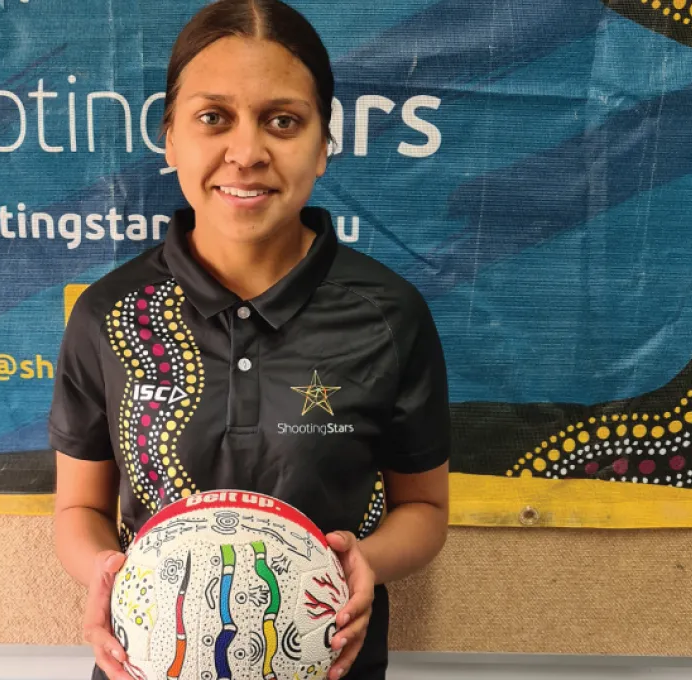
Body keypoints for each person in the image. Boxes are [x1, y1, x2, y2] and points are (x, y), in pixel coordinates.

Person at [50, 1, 450, 678]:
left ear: (324, 143)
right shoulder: (108, 314)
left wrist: (368, 562)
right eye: (213, 118)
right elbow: (79, 507)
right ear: (171, 137)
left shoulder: (389, 315)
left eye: (283, 121)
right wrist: (103, 573)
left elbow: (425, 508)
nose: (247, 152)